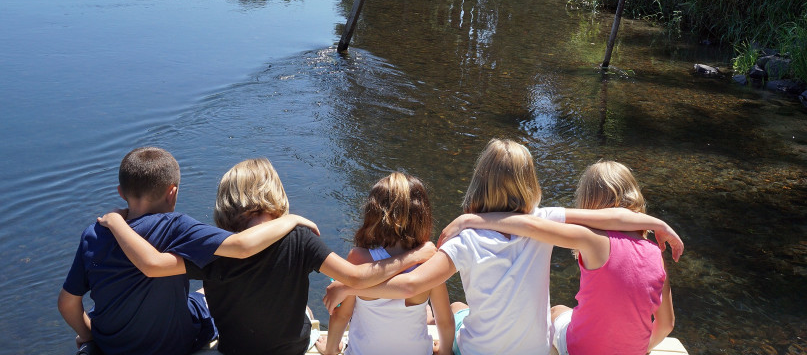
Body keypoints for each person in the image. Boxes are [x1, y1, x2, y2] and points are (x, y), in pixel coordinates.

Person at [323, 139, 682, 355]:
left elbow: (411, 285)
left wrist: (350, 284)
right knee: (463, 308)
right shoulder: (547, 220)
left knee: (458, 305)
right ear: (530, 183)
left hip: (478, 351)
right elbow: (611, 217)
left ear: (479, 182)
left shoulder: (465, 239)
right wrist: (655, 223)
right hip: (536, 351)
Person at [99, 158, 436, 355]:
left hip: (235, 351)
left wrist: (116, 221)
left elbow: (152, 267)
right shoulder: (301, 238)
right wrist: (415, 255)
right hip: (291, 348)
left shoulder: (214, 247)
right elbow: (359, 278)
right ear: (275, 194)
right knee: (303, 308)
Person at [58, 147, 321, 355]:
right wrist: (290, 220)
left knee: (200, 290)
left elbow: (68, 303)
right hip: (173, 344)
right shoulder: (176, 226)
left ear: (121, 193)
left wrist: (89, 333)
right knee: (209, 297)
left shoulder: (94, 234)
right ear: (172, 193)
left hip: (112, 342)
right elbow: (242, 246)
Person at [314, 172, 454, 355]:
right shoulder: (429, 261)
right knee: (428, 312)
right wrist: (444, 351)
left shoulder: (358, 258)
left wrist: (331, 350)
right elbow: (445, 321)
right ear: (422, 216)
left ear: (374, 215)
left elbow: (341, 315)